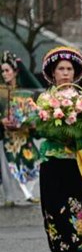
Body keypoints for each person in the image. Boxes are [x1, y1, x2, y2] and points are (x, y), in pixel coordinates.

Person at [35, 47, 82, 252]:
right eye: (60, 69)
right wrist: (56, 131)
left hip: (75, 160)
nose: (65, 73)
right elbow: (39, 128)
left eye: (69, 69)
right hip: (52, 159)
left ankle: (79, 245)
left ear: (75, 72)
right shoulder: (45, 98)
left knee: (79, 203)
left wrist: (78, 134)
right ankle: (63, 250)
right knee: (54, 205)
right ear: (53, 73)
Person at [0, 51, 42, 205]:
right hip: (7, 135)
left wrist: (30, 122)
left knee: (33, 162)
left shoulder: (25, 91)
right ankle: (15, 196)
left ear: (15, 71)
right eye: (2, 71)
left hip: (24, 134)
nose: (5, 74)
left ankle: (26, 193)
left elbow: (39, 92)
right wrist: (2, 120)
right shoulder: (1, 91)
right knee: (10, 166)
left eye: (7, 70)